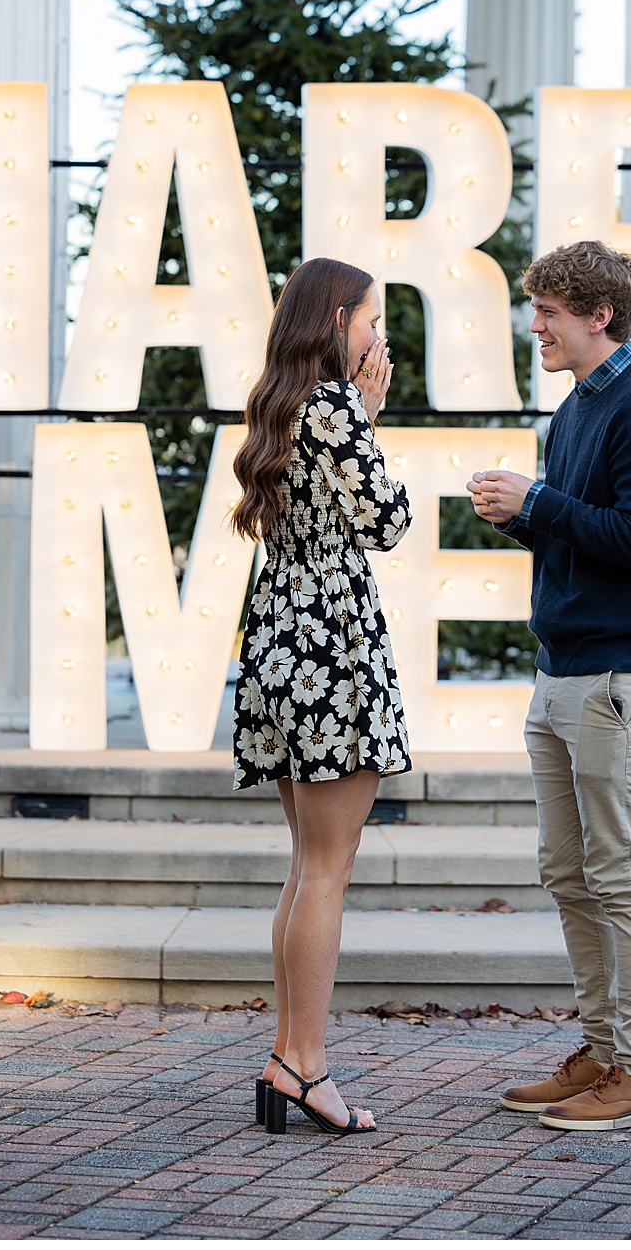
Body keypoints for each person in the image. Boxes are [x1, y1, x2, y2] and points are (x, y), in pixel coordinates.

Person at [467, 240, 631, 1132]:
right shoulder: (575, 412)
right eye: (536, 310)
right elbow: (584, 537)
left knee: (623, 877)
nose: (536, 326)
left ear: (600, 315)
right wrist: (521, 517)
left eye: (550, 312)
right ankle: (602, 1052)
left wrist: (541, 504)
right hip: (563, 674)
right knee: (568, 872)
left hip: (617, 680)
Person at [229, 256, 410, 1138]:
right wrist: (370, 420)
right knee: (327, 871)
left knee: (306, 868)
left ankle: (287, 1055)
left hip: (280, 641)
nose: (381, 338)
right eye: (373, 320)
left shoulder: (279, 402)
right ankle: (306, 1065)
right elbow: (389, 520)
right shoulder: (337, 408)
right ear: (338, 319)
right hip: (331, 650)